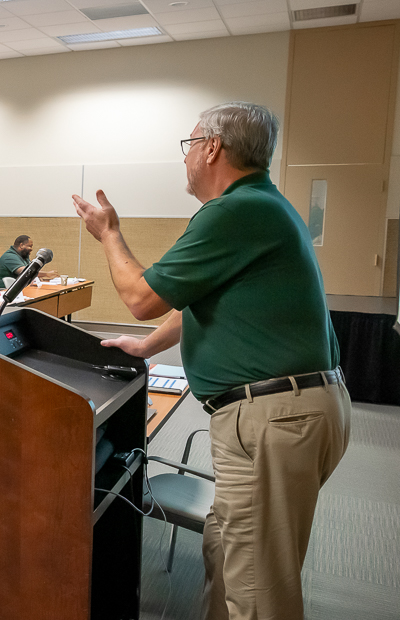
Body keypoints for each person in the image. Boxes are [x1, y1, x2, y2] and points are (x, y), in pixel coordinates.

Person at [72, 102, 348, 620]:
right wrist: (146, 347)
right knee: (227, 556)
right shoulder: (261, 205)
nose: (186, 157)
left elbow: (141, 297)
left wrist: (109, 233)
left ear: (213, 148)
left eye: (189, 145)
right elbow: (201, 301)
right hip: (289, 410)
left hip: (274, 418)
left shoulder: (235, 211)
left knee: (259, 590)